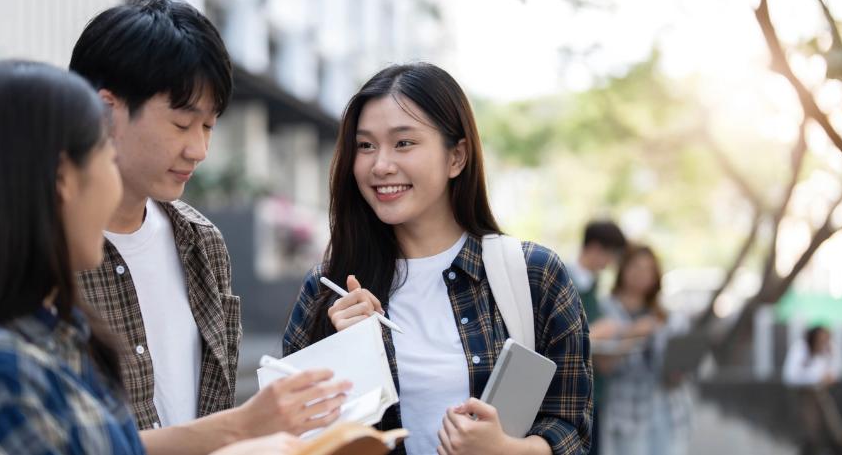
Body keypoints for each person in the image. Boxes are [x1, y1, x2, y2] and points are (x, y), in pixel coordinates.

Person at [0, 60, 296, 454]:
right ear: (63, 179)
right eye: (104, 158)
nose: (116, 189)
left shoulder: (53, 331)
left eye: (208, 126)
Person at [69, 0, 348, 452]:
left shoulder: (201, 243)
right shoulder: (39, 249)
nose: (199, 150)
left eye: (209, 127)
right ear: (106, 112)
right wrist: (239, 428)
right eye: (182, 124)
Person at [282, 63, 593, 455]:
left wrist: (503, 449)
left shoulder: (535, 275)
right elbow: (295, 439)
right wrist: (344, 353)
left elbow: (573, 431)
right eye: (365, 146)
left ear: (456, 157)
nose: (380, 165)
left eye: (404, 143)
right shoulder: (327, 289)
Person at [598, 245, 690, 455]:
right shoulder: (605, 308)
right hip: (626, 410)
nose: (642, 275)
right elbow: (603, 364)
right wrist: (632, 333)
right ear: (623, 270)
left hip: (667, 409)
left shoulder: (663, 313)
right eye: (636, 267)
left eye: (648, 270)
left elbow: (673, 361)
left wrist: (678, 368)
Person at [567, 220, 627, 455]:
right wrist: (596, 332)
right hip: (571, 396)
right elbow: (557, 340)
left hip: (594, 393)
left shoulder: (592, 285)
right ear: (594, 247)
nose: (610, 263)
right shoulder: (562, 278)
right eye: (610, 254)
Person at [783, 326, 842, 455]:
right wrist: (817, 378)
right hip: (805, 395)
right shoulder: (801, 349)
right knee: (810, 432)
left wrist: (831, 362)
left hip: (822, 393)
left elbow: (838, 371)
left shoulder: (828, 349)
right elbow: (790, 376)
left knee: (836, 431)